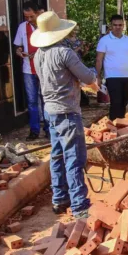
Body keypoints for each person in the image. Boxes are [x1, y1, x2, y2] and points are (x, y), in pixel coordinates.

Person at [31, 11, 100, 218]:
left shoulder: (38, 55)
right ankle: (80, 206)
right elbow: (87, 77)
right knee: (74, 158)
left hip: (50, 111)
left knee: (57, 155)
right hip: (67, 112)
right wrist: (95, 76)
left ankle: (59, 199)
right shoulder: (65, 53)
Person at [14, 1, 49, 141]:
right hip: (28, 69)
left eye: (31, 16)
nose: (29, 19)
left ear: (38, 13)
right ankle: (34, 130)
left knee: (46, 99)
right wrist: (19, 51)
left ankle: (48, 129)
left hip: (45, 68)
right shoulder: (22, 27)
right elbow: (18, 45)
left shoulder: (46, 27)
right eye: (26, 17)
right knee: (32, 101)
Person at [95, 14, 128, 119]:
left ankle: (121, 126)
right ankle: (113, 128)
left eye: (120, 25)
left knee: (123, 103)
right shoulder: (104, 40)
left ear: (123, 26)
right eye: (115, 25)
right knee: (116, 103)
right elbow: (99, 59)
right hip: (112, 77)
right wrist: (98, 77)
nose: (118, 27)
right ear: (111, 26)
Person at [65, 26, 90, 106]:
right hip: (70, 64)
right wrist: (79, 47)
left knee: (78, 83)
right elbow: (70, 53)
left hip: (78, 63)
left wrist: (85, 50)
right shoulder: (66, 41)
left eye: (77, 30)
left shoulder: (78, 40)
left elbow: (81, 54)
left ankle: (80, 100)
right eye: (74, 30)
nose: (76, 32)